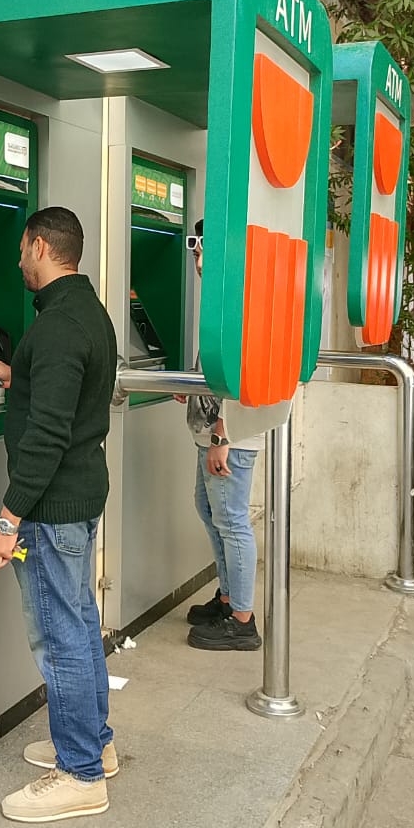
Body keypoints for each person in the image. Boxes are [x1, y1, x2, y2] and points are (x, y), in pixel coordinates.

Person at [0, 206, 118, 823]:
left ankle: (80, 774)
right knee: (79, 623)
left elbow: (49, 434)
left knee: (59, 637)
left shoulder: (58, 326)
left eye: (21, 250)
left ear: (37, 246)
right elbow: (66, 398)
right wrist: (19, 378)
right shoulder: (86, 312)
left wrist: (7, 522)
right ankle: (95, 744)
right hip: (77, 498)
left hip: (51, 510)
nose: (17, 262)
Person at [180, 218, 263, 651]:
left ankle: (243, 622)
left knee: (231, 520)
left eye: (203, 249)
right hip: (213, 431)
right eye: (195, 249)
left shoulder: (240, 303)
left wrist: (221, 435)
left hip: (229, 436)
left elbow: (245, 373)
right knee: (209, 509)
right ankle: (229, 599)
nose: (198, 258)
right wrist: (190, 386)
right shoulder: (224, 298)